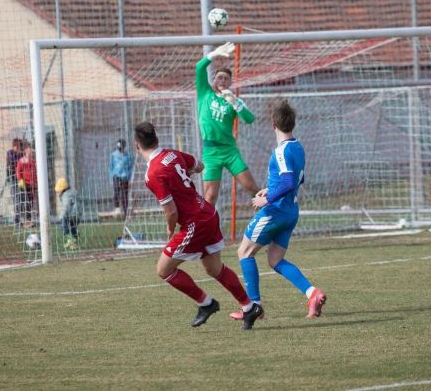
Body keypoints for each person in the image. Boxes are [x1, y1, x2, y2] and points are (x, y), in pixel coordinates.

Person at [134, 121, 263, 329]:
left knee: (163, 269)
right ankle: (249, 307)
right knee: (214, 269)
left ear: (136, 145)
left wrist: (170, 228)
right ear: (156, 139)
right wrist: (183, 175)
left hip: (194, 222)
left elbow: (172, 211)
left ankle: (206, 304)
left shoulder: (152, 174)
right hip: (209, 214)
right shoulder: (173, 154)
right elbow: (200, 167)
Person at [233, 100, 327, 323]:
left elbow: (286, 183)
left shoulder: (282, 151)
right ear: (292, 124)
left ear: (273, 124)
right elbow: (297, 179)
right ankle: (312, 293)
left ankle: (253, 306)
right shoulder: (298, 146)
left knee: (244, 252)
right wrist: (270, 189)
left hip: (275, 212)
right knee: (275, 260)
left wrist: (267, 200)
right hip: (290, 212)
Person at [195, 42, 260, 205]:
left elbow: (249, 119)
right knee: (209, 198)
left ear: (230, 82)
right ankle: (205, 229)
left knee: (252, 188)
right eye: (219, 77)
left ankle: (269, 219)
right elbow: (199, 68)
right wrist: (213, 54)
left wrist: (234, 103)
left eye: (226, 78)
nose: (222, 80)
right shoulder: (205, 93)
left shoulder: (233, 100)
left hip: (230, 152)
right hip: (210, 153)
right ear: (214, 80)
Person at [105, 138, 134, 218]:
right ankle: (117, 209)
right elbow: (111, 167)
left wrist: (131, 178)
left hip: (125, 177)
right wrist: (111, 179)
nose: (120, 150)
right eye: (119, 148)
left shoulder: (128, 156)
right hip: (116, 176)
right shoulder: (114, 155)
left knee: (125, 195)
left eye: (121, 148)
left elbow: (131, 167)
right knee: (116, 192)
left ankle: (126, 212)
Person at [15, 143, 38, 228]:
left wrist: (36, 183)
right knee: (23, 203)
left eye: (31, 149)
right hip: (25, 184)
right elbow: (18, 171)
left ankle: (28, 221)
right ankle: (19, 220)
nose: (31, 150)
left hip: (33, 185)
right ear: (25, 151)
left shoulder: (34, 161)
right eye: (29, 149)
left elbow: (36, 173)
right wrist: (21, 183)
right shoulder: (22, 160)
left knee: (30, 203)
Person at [55, 177, 79, 251]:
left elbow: (66, 206)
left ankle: (70, 239)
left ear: (62, 190)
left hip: (71, 214)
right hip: (78, 215)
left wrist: (62, 215)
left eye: (58, 191)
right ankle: (74, 244)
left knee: (64, 227)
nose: (58, 193)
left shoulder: (65, 195)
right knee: (73, 228)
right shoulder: (73, 192)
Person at [6, 138, 24, 221]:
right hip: (13, 178)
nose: (20, 148)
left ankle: (22, 216)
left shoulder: (21, 154)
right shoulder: (10, 153)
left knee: (22, 197)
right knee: (15, 198)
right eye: (19, 146)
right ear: (15, 146)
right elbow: (12, 161)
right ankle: (17, 217)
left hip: (20, 179)